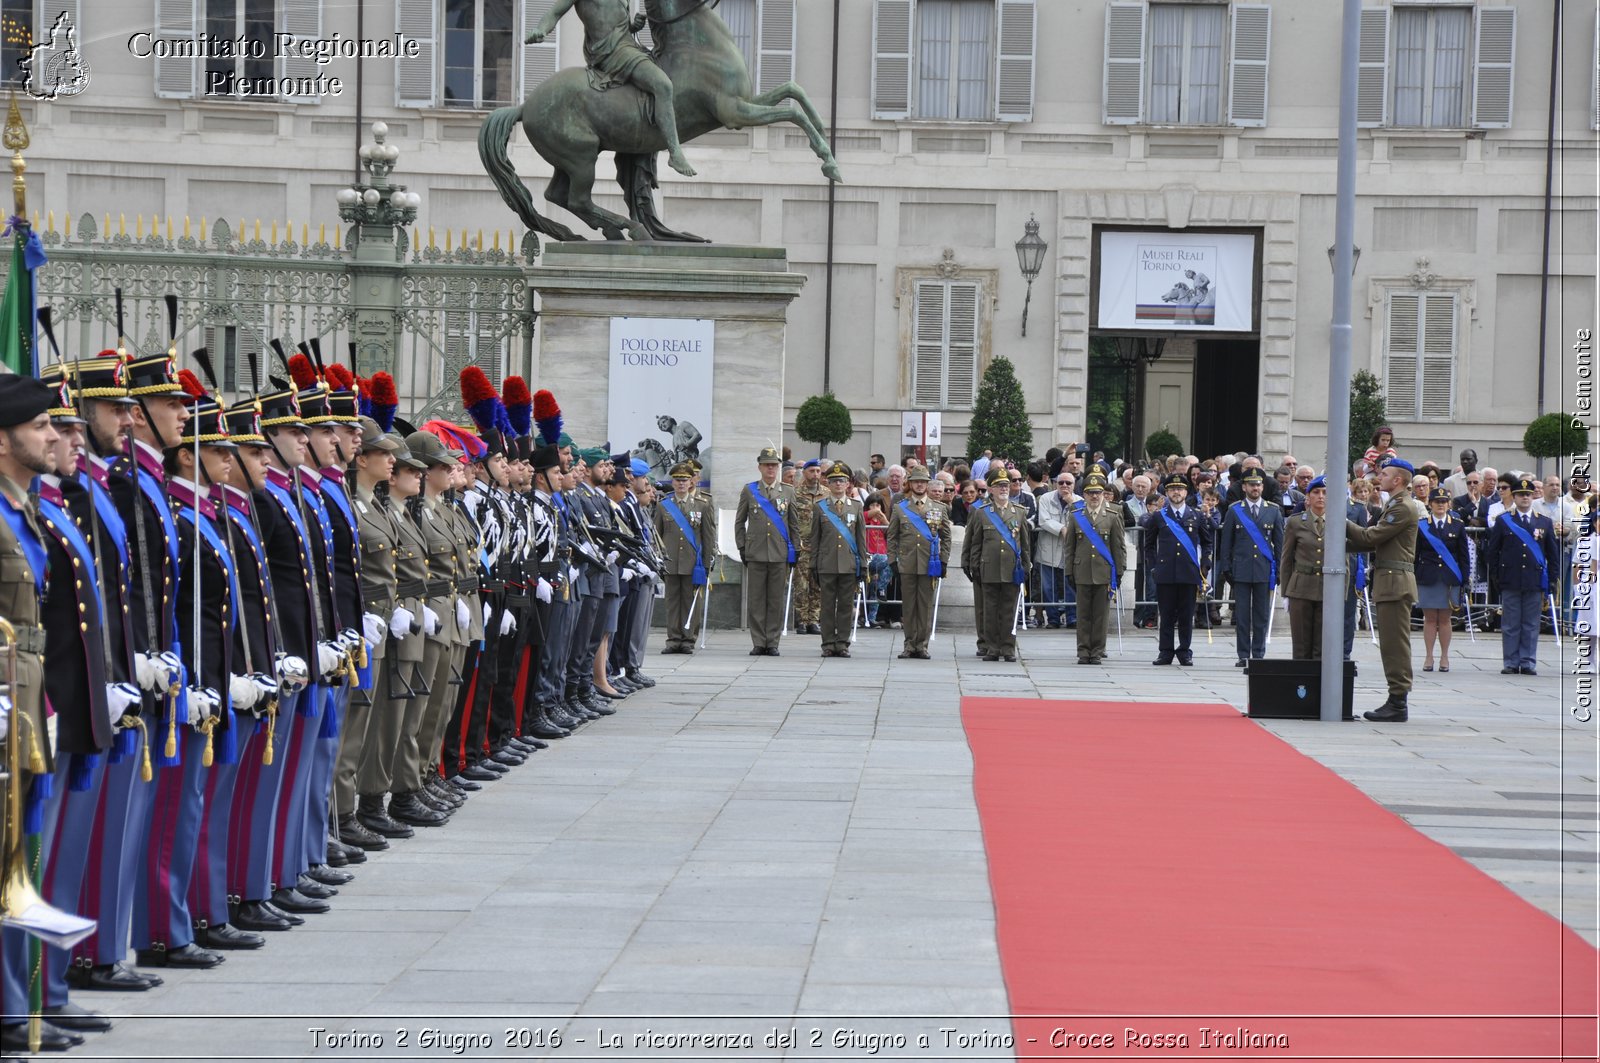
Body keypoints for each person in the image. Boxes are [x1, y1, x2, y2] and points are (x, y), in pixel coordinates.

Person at [525, 0, 698, 177]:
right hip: (611, 53)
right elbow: (554, 13)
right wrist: (541, 30)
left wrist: (633, 27)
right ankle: (675, 152)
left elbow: (613, 22)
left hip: (630, 47)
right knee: (663, 86)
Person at [1344, 457, 1420, 721]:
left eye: (1385, 474)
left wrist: (1340, 522)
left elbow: (1372, 537)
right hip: (1390, 579)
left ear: (1398, 480)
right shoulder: (1396, 504)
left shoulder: (1402, 507)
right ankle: (1396, 699)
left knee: (1394, 646)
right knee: (1391, 644)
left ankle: (1398, 702)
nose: (1380, 478)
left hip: (1395, 582)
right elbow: (1375, 543)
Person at [1486, 476, 1560, 676]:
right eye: (1520, 495)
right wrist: (1495, 576)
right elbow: (1493, 552)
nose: (1525, 498)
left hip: (1534, 579)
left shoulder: (1543, 521)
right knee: (1510, 623)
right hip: (1510, 578)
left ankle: (1527, 661)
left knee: (1530, 623)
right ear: (1514, 497)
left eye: (1528, 494)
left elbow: (1552, 555)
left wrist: (1553, 579)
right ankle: (1510, 661)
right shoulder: (1504, 521)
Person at [1141, 473, 1213, 666]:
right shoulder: (1158, 516)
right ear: (1167, 492)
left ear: (1186, 492)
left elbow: (1207, 542)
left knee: (1186, 615)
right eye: (1173, 489)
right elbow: (1148, 545)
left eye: (1180, 489)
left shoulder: (1196, 515)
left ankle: (1184, 651)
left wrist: (1205, 562)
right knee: (1166, 614)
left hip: (1189, 573)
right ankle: (1165, 651)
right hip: (1165, 572)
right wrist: (1153, 566)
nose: (1176, 492)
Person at [734, 446, 798, 656]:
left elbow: (794, 524)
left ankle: (772, 642)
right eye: (767, 465)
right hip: (756, 552)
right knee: (757, 599)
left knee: (775, 599)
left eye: (774, 465)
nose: (771, 469)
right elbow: (739, 522)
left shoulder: (788, 491)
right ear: (760, 467)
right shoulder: (750, 490)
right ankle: (758, 641)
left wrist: (794, 550)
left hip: (779, 552)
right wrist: (742, 547)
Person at [1217, 468, 1284, 667]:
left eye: (1258, 485)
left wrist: (1279, 568)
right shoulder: (1234, 510)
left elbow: (1279, 543)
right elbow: (1226, 543)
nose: (1255, 488)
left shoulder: (1273, 510)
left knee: (1261, 615)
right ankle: (1244, 655)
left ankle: (1259, 654)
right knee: (1243, 616)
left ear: (1263, 487)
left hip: (1264, 569)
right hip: (1242, 569)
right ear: (1244, 487)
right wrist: (1226, 568)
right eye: (1251, 485)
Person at [966, 466, 1032, 662]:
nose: (1004, 489)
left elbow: (1025, 543)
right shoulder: (982, 512)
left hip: (1012, 568)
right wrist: (974, 565)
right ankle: (993, 648)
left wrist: (1026, 566)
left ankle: (1008, 648)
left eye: (1006, 485)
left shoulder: (1019, 512)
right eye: (999, 486)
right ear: (991, 489)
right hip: (989, 568)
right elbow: (975, 542)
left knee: (1009, 610)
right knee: (990, 610)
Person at [1062, 473, 1125, 664]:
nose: (1095, 496)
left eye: (1098, 492)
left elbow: (1118, 546)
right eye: (1090, 493)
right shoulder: (1076, 514)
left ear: (1104, 494)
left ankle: (1097, 651)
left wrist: (1119, 571)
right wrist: (1069, 570)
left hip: (1103, 571)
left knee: (1100, 615)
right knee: (1083, 614)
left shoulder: (1113, 515)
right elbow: (1069, 547)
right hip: (1081, 570)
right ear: (1085, 494)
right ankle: (1083, 651)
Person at [887, 465, 950, 659]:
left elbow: (945, 536)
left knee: (924, 605)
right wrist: (892, 560)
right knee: (908, 606)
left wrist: (943, 560)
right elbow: (892, 537)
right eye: (916, 481)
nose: (920, 485)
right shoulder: (900, 508)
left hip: (928, 563)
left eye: (923, 482)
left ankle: (922, 645)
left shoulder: (939, 508)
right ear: (910, 484)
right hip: (907, 563)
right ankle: (909, 644)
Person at [654, 461, 716, 653]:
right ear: (672, 482)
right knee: (672, 602)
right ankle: (673, 639)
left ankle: (688, 639)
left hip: (693, 563)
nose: (681, 483)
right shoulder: (664, 506)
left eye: (685, 480)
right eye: (677, 480)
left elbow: (709, 535)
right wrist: (658, 561)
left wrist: (707, 563)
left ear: (691, 482)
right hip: (671, 562)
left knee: (691, 602)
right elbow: (657, 535)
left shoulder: (702, 505)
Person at [810, 462, 867, 658]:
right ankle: (827, 643)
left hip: (849, 564)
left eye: (841, 481)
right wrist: (813, 564)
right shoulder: (820, 508)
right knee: (826, 606)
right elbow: (815, 540)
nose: (838, 485)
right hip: (826, 564)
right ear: (828, 483)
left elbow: (861, 539)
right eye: (834, 481)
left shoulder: (856, 507)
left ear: (848, 484)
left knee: (844, 605)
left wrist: (864, 564)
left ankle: (842, 643)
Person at [1415, 486, 1469, 673]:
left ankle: (1444, 656)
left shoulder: (1457, 525)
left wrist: (1465, 578)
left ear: (1449, 504)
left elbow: (1464, 555)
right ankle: (1429, 656)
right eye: (1437, 502)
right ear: (1430, 504)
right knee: (1429, 619)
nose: (1440, 505)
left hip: (1449, 577)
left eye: (1444, 502)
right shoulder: (1422, 525)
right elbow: (1415, 554)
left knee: (1445, 619)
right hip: (1428, 576)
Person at [1280, 474, 1330, 660]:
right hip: (1300, 588)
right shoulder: (1295, 522)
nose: (1321, 496)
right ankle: (1300, 687)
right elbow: (1286, 559)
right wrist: (1285, 592)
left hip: (1326, 588)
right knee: (1301, 646)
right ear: (1307, 497)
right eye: (1316, 492)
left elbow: (1345, 560)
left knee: (1321, 647)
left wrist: (1341, 591)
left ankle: (1319, 688)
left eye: (1325, 492)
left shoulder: (1338, 522)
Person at [1035, 470, 1081, 629]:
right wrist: (1061, 528)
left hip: (1070, 552)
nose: (1064, 485)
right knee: (1048, 588)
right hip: (1048, 550)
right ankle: (1053, 619)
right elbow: (1043, 520)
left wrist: (1071, 503)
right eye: (1061, 482)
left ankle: (1072, 618)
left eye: (1068, 483)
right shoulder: (1045, 499)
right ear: (1055, 483)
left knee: (1070, 586)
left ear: (1074, 485)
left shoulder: (1079, 500)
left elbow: (1082, 520)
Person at [791, 459, 825, 634]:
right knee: (801, 585)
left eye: (818, 471)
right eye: (812, 471)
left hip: (820, 546)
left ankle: (814, 619)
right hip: (802, 546)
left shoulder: (826, 494)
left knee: (817, 583)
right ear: (804, 473)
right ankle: (802, 620)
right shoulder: (795, 494)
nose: (815, 474)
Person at [863, 496, 890, 625]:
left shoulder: (881, 521)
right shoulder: (865, 519)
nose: (876, 509)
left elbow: (892, 532)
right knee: (890, 560)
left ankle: (872, 618)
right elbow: (860, 518)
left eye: (878, 506)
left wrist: (884, 520)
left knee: (877, 584)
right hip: (869, 556)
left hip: (882, 558)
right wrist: (871, 513)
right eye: (872, 505)